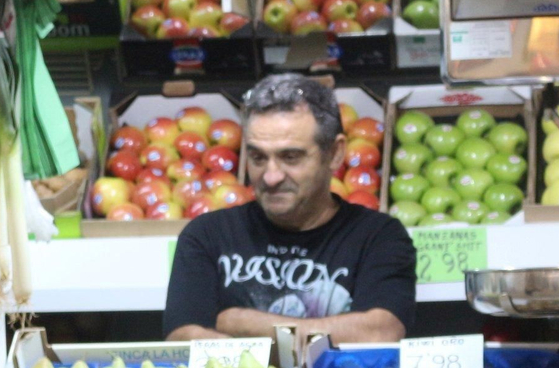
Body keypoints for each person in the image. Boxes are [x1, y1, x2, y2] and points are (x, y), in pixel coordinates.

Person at [164, 75, 417, 344]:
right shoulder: (208, 234)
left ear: (335, 154)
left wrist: (242, 322)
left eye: (291, 157)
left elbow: (379, 332)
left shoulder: (378, 236)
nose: (271, 176)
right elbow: (183, 339)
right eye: (258, 157)